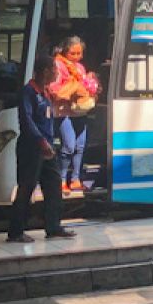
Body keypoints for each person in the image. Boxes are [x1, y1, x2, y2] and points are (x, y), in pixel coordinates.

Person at [8, 55, 75, 243]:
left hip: (47, 148)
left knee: (53, 185)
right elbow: (27, 121)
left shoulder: (45, 92)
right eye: (54, 69)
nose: (56, 73)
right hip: (32, 148)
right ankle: (16, 231)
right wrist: (41, 141)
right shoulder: (28, 93)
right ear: (45, 71)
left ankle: (53, 227)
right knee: (26, 188)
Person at [49, 36, 101, 194]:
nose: (77, 56)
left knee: (80, 146)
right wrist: (72, 88)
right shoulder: (57, 66)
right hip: (64, 112)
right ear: (65, 51)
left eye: (79, 53)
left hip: (80, 111)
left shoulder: (80, 67)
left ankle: (76, 179)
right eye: (73, 53)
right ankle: (62, 179)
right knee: (69, 146)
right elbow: (54, 89)